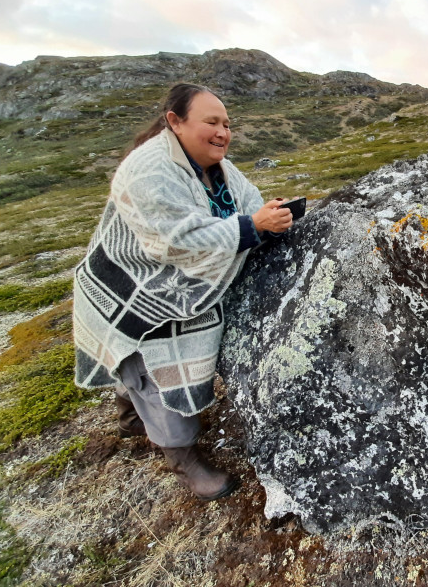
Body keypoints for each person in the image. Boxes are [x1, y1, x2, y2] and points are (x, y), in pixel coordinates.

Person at [73, 83, 296, 501]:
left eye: (227, 124)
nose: (222, 132)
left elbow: (248, 204)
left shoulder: (219, 168)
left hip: (165, 279)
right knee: (154, 365)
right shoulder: (147, 169)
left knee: (133, 367)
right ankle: (182, 459)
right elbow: (173, 241)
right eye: (211, 122)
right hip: (132, 285)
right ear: (175, 122)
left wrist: (267, 215)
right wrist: (252, 227)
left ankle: (128, 415)